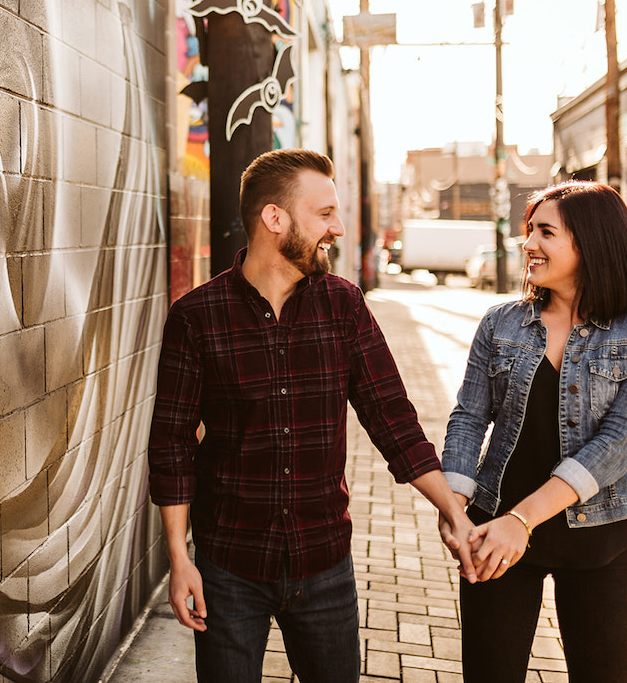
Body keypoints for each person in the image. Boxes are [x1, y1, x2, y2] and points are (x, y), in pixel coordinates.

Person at [147, 148, 476, 683]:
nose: (339, 228)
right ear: (274, 219)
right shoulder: (196, 317)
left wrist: (452, 511)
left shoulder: (343, 306)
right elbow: (172, 445)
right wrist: (179, 559)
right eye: (324, 214)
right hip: (228, 565)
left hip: (324, 563)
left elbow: (392, 418)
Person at [440, 181, 627, 682]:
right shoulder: (500, 324)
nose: (528, 243)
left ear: (590, 241)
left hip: (600, 540)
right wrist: (454, 503)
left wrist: (519, 522)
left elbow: (614, 446)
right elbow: (467, 417)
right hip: (493, 534)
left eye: (545, 232)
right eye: (530, 231)